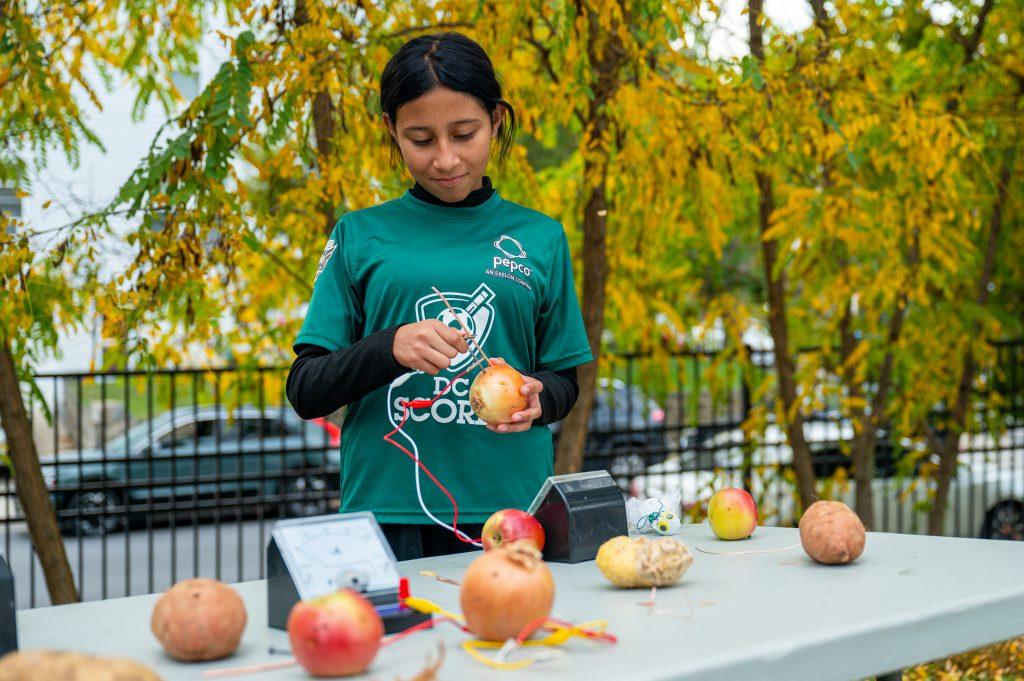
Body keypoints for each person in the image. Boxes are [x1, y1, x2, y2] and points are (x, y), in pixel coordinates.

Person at [286, 32, 592, 561]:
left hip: (513, 513)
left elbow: (565, 380)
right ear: (392, 131)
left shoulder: (541, 238)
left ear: (496, 121)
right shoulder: (359, 236)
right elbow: (306, 389)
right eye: (421, 140)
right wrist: (390, 346)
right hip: (386, 515)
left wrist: (539, 396)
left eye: (464, 133)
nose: (446, 159)